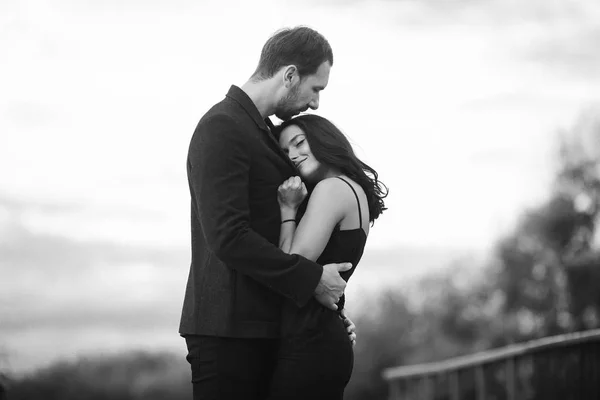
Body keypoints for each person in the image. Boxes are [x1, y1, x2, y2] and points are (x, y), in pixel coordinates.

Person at [179, 26, 356, 400]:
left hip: (270, 329)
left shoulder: (268, 134)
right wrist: (311, 281)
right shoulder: (221, 127)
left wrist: (323, 315)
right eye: (316, 88)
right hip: (227, 334)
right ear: (289, 75)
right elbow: (229, 237)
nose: (316, 103)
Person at [268, 114, 387, 399]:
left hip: (310, 344)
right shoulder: (353, 191)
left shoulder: (331, 188)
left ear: (325, 140)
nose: (293, 155)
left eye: (299, 143)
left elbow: (290, 267)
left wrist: (287, 209)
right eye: (286, 151)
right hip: (323, 337)